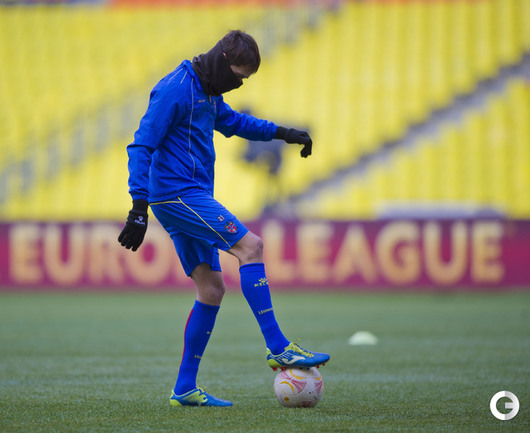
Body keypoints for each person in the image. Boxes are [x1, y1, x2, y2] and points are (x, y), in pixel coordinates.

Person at [118, 30, 330, 407]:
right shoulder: (176, 89)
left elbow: (235, 123)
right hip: (178, 193)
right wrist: (138, 205)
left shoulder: (209, 89)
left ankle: (185, 388)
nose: (239, 84)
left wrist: (283, 133)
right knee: (252, 247)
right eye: (239, 76)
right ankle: (279, 347)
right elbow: (141, 144)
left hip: (187, 194)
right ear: (223, 61)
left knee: (212, 289)